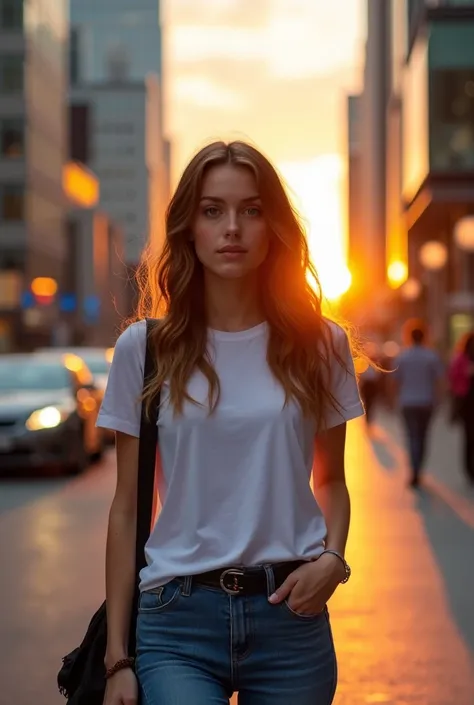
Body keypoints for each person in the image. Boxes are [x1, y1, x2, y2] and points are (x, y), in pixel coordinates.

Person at [97, 140, 365, 705]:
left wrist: (333, 562)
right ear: (188, 227)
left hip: (291, 615)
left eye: (251, 209)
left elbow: (333, 481)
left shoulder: (321, 345)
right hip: (177, 622)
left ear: (273, 227)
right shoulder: (143, 350)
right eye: (212, 210)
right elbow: (127, 509)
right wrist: (117, 656)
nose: (232, 228)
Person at [393, 321, 444, 488]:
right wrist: (439, 399)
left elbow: (394, 381)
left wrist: (391, 399)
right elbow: (439, 381)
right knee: (423, 437)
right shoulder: (431, 356)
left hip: (407, 402)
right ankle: (418, 469)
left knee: (412, 436)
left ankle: (414, 470)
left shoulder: (403, 356)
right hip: (426, 402)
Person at [448, 332, 474, 483]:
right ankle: (470, 470)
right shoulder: (460, 359)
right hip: (467, 404)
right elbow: (453, 378)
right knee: (469, 438)